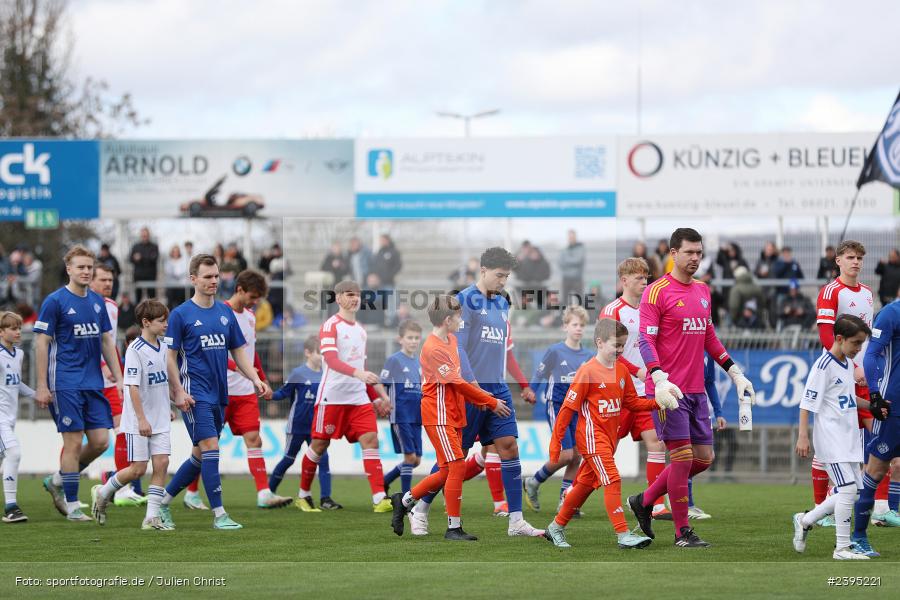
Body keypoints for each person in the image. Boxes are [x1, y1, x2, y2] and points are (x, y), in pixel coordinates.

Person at [626, 228, 756, 548]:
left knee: (705, 458)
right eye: (689, 252)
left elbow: (709, 337)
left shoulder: (703, 290)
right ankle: (682, 532)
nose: (695, 258)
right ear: (673, 254)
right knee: (682, 459)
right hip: (669, 392)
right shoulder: (656, 292)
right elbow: (646, 339)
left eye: (699, 252)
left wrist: (734, 372)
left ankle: (644, 500)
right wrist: (657, 377)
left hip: (697, 392)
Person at [408, 247, 544, 537]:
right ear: (483, 271)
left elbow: (505, 350)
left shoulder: (503, 303)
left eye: (507, 276)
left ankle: (516, 521)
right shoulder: (464, 301)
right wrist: (477, 391)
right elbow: (458, 348)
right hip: (471, 391)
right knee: (454, 459)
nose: (503, 281)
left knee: (509, 446)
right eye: (499, 275)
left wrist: (520, 384)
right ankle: (419, 508)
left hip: (498, 388)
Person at [156, 254, 270, 530]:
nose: (213, 281)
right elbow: (169, 357)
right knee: (210, 447)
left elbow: (239, 353)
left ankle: (161, 504)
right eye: (207, 276)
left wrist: (255, 379)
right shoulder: (181, 314)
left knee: (199, 456)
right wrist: (178, 391)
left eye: (216, 276)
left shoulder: (224, 312)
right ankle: (219, 514)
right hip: (195, 394)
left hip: (220, 394)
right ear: (193, 279)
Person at [390, 295, 508, 541]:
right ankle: (453, 527)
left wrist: (481, 395)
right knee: (456, 466)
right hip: (439, 415)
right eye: (458, 317)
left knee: (446, 470)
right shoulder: (433, 348)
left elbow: (461, 380)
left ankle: (403, 501)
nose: (461, 321)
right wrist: (490, 401)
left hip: (453, 414)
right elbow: (457, 383)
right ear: (447, 320)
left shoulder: (452, 340)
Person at [545, 318, 671, 549]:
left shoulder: (622, 370)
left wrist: (657, 403)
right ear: (599, 343)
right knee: (612, 478)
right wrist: (556, 444)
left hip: (609, 440)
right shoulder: (587, 371)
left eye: (623, 345)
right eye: (616, 345)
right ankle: (623, 535)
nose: (620, 350)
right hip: (592, 439)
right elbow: (566, 410)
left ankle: (555, 528)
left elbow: (632, 403)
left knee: (583, 486)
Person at [35, 246, 123, 522]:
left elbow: (107, 341)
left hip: (93, 382)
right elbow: (41, 342)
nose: (85, 271)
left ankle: (58, 480)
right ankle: (73, 506)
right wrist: (41, 385)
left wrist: (119, 377)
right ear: (69, 269)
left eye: (89, 267)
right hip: (65, 382)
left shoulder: (97, 303)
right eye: (80, 267)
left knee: (100, 441)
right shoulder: (55, 301)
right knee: (72, 444)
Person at [297, 280, 393, 512]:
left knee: (371, 441)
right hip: (332, 398)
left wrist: (379, 395)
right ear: (338, 298)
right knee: (319, 446)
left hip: (358, 399)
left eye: (358, 295)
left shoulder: (361, 331)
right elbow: (330, 360)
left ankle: (379, 498)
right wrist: (359, 373)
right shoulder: (331, 326)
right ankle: (304, 495)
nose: (355, 299)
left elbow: (363, 367)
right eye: (349, 294)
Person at [792, 314, 877, 560]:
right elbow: (806, 403)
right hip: (831, 439)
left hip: (849, 438)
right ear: (839, 339)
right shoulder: (823, 366)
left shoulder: (847, 364)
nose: (858, 349)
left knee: (854, 493)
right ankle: (842, 548)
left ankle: (805, 519)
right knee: (848, 489)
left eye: (861, 344)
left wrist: (870, 406)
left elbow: (847, 398)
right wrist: (803, 437)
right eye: (855, 343)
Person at [91, 299, 174, 530]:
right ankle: (104, 492)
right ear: (146, 323)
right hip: (140, 420)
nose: (166, 324)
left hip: (160, 417)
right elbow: (132, 387)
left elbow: (161, 381)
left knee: (162, 463)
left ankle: (151, 518)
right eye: (161, 321)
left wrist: (169, 406)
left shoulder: (165, 345)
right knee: (138, 468)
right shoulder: (135, 350)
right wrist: (141, 419)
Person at [813, 240, 880, 523]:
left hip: (864, 374)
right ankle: (822, 506)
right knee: (833, 439)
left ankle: (881, 506)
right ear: (838, 260)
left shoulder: (866, 292)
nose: (856, 262)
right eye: (850, 257)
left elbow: (868, 336)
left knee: (874, 433)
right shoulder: (831, 291)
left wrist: (869, 365)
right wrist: (848, 367)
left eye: (859, 258)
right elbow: (826, 333)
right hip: (840, 375)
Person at [602, 258, 670, 519]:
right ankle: (573, 491)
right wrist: (637, 370)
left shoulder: (651, 309)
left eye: (646, 277)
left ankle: (656, 504)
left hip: (646, 390)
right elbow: (608, 352)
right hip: (618, 391)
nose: (644, 282)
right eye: (639, 278)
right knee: (607, 449)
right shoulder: (612, 310)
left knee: (656, 443)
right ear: (624, 280)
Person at [223, 270, 292, 509]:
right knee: (205, 446)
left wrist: (262, 380)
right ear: (239, 289)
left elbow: (250, 355)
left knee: (254, 439)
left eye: (258, 299)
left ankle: (263, 493)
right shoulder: (220, 313)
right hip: (219, 391)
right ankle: (191, 493)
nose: (255, 302)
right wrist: (241, 370)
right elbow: (218, 354)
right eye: (253, 297)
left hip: (244, 393)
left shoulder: (251, 318)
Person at [522, 306, 594, 514]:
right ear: (565, 327)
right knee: (566, 455)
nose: (578, 328)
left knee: (577, 456)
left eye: (581, 325)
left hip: (578, 410)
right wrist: (532, 391)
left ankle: (565, 499)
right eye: (574, 324)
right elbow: (540, 373)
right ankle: (534, 481)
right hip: (558, 406)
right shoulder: (555, 351)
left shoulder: (588, 355)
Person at [92, 263, 146, 506]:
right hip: (84, 382)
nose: (108, 284)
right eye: (103, 280)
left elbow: (108, 342)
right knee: (80, 441)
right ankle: (66, 490)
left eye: (110, 280)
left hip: (109, 383)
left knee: (123, 430)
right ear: (90, 281)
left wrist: (117, 374)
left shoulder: (112, 308)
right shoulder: (82, 305)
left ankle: (119, 486)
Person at [268, 335, 341, 511]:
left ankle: (326, 499)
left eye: (324, 353)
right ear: (308, 353)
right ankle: (267, 493)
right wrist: (270, 394)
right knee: (288, 459)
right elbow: (283, 393)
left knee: (323, 460)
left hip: (316, 427)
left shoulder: (327, 374)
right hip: (297, 426)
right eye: (319, 353)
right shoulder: (298, 373)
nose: (322, 357)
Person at [851, 298, 900, 555]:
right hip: (894, 408)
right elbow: (871, 355)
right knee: (875, 471)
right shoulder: (891, 313)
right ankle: (858, 536)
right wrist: (874, 395)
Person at [381, 320, 423, 496]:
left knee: (417, 460)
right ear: (400, 339)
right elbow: (382, 383)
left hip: (416, 416)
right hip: (401, 415)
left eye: (416, 338)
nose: (413, 341)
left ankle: (385, 481)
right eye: (409, 338)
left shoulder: (418, 363)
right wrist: (383, 401)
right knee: (409, 457)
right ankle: (406, 498)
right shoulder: (394, 360)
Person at [0, 311, 36, 523]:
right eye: (13, 328)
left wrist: (38, 394)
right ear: (1, 331)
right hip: (0, 418)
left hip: (9, 418)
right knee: (13, 453)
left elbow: (15, 384)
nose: (18, 332)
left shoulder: (19, 354)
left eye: (19, 328)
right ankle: (11, 508)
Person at [371, 234, 402, 326]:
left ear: (388, 240)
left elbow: (398, 266)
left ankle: (391, 321)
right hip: (378, 284)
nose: (381, 242)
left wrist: (389, 276)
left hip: (389, 283)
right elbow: (375, 266)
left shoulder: (394, 252)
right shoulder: (379, 252)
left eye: (383, 240)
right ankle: (381, 321)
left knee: (391, 303)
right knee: (378, 302)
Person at [130, 227, 159, 302]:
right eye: (143, 236)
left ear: (149, 236)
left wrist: (141, 257)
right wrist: (145, 257)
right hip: (138, 276)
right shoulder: (135, 246)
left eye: (146, 235)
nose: (144, 237)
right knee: (137, 299)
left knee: (152, 300)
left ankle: (153, 314)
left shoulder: (154, 246)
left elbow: (154, 259)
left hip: (150, 277)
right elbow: (130, 259)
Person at [558, 230, 586, 307]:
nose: (571, 238)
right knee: (564, 300)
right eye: (570, 237)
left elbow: (578, 260)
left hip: (577, 278)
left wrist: (567, 260)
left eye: (572, 237)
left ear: (575, 237)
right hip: (566, 278)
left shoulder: (581, 248)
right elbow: (560, 262)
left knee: (580, 300)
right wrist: (571, 261)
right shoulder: (564, 249)